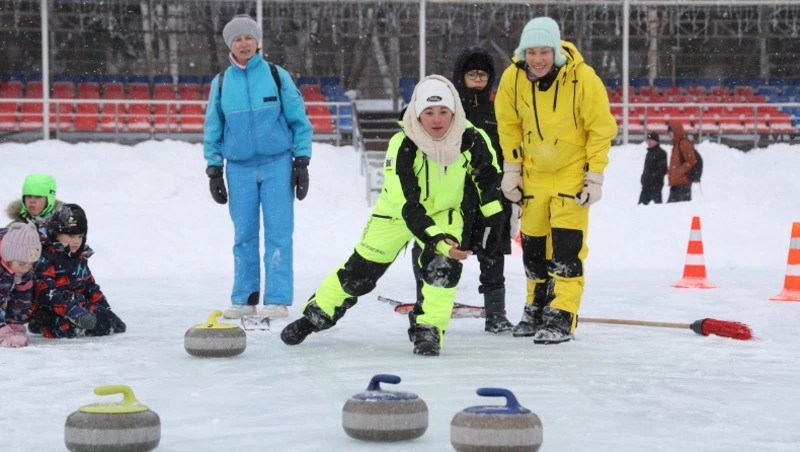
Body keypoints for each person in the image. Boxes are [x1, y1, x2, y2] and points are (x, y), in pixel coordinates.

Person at [280, 75, 505, 356]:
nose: (437, 119)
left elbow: (488, 182)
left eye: (443, 112)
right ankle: (315, 316)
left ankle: (429, 329)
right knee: (360, 272)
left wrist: (494, 223)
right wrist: (436, 238)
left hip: (445, 213)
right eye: (429, 112)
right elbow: (409, 205)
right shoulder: (403, 144)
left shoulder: (471, 138)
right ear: (417, 114)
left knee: (443, 267)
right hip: (397, 213)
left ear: (454, 112)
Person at [495, 17, 618, 344]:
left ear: (556, 50)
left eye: (544, 51)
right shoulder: (513, 78)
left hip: (570, 176)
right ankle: (535, 308)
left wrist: (594, 177)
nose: (538, 58)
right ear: (523, 52)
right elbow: (508, 126)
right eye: (531, 51)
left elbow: (600, 129)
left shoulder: (583, 78)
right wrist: (512, 169)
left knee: (566, 249)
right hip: (534, 176)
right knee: (533, 248)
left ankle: (561, 314)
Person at [203, 15, 314, 320]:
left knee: (279, 233)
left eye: (248, 38)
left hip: (276, 164)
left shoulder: (277, 76)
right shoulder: (222, 82)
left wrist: (301, 161)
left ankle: (277, 300)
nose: (244, 44)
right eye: (237, 39)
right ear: (230, 45)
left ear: (257, 41)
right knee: (244, 235)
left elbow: (299, 121)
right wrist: (214, 169)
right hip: (238, 168)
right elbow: (213, 127)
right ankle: (244, 298)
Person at [446, 46, 514, 333]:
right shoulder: (448, 109)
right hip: (454, 195)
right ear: (461, 76)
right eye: (472, 74)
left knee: (492, 254)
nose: (477, 79)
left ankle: (496, 314)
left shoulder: (499, 109)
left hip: (490, 195)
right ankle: (435, 307)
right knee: (447, 251)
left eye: (483, 74)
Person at [30, 204, 126, 338]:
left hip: (79, 307)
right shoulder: (47, 257)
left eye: (80, 236)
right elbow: (45, 292)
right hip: (51, 309)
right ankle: (51, 327)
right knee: (64, 327)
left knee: (104, 323)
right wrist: (72, 311)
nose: (76, 241)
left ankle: (83, 325)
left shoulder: (80, 259)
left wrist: (108, 312)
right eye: (70, 235)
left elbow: (90, 287)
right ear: (56, 234)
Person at [0, 222, 42, 348]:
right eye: (22, 264)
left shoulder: (23, 271)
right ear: (8, 257)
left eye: (31, 264)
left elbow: (21, 299)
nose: (26, 268)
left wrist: (15, 324)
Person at [666, 122, 697, 203]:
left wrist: (678, 172)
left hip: (682, 185)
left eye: (670, 131)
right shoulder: (676, 145)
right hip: (677, 184)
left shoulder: (683, 144)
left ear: (677, 131)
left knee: (677, 212)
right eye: (668, 132)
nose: (668, 133)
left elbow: (691, 161)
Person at [638, 132, 668, 205]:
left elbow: (663, 170)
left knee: (658, 208)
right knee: (640, 208)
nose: (649, 142)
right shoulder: (649, 153)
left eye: (652, 140)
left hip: (656, 186)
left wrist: (652, 177)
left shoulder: (661, 153)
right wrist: (643, 178)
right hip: (646, 186)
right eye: (648, 140)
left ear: (656, 141)